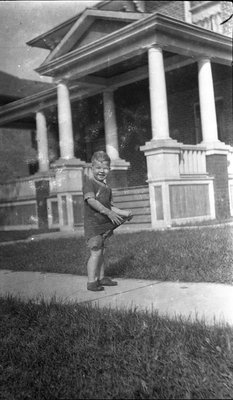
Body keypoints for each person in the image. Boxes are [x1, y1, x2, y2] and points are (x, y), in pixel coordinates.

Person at [83, 151, 133, 291]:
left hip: (103, 224)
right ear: (91, 168)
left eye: (105, 168)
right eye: (98, 168)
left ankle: (101, 277)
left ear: (109, 170)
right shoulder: (89, 184)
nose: (101, 171)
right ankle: (92, 282)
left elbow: (110, 206)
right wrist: (108, 212)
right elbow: (91, 201)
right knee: (96, 251)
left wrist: (124, 213)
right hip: (93, 225)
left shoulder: (107, 188)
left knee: (102, 252)